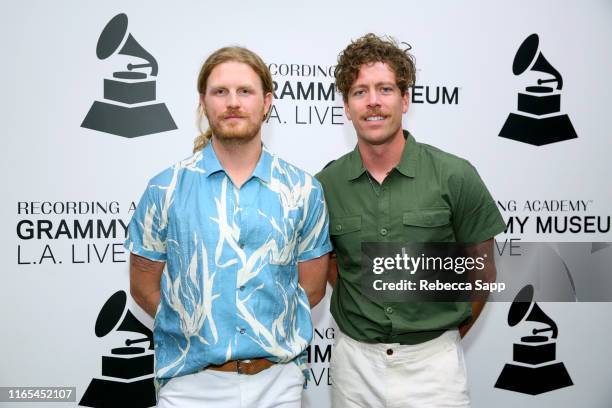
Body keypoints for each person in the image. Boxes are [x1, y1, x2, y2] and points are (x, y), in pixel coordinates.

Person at [125, 46, 331, 408]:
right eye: (220, 91)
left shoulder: (302, 190)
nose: (232, 102)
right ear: (203, 102)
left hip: (277, 384)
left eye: (245, 91)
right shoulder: (165, 188)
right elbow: (143, 287)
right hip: (190, 385)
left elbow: (311, 289)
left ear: (267, 102)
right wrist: (195, 325)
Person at [316, 34, 506, 407]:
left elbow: (481, 275)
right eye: (360, 91)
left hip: (435, 367)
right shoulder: (326, 185)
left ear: (405, 99)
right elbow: (335, 269)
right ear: (346, 106)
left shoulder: (454, 175)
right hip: (354, 368)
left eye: (385, 89)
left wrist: (440, 339)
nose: (373, 101)